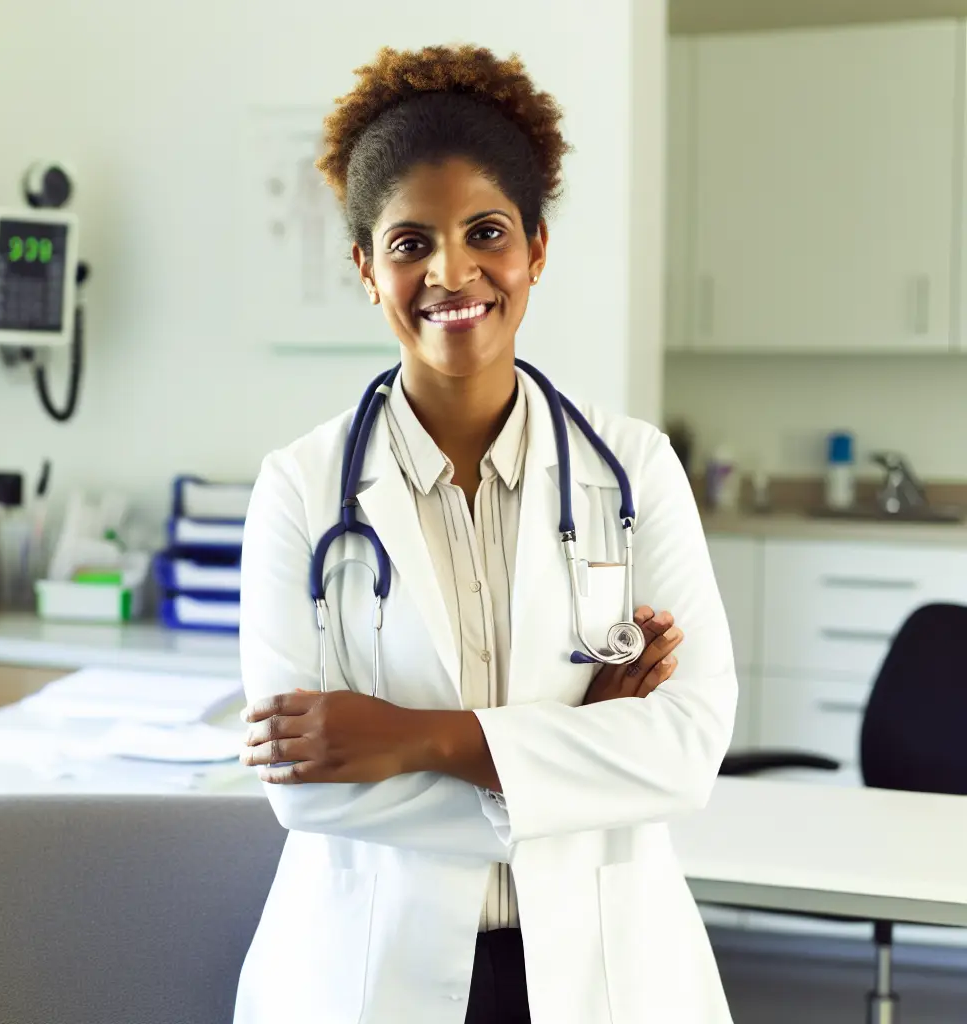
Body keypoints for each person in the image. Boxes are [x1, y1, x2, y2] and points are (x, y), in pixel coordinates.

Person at [232, 45, 736, 1024]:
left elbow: (685, 748)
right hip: (371, 971)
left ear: (535, 248)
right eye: (409, 242)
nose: (450, 271)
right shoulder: (298, 490)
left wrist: (412, 738)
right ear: (366, 268)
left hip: (604, 969)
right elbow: (306, 790)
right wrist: (578, 754)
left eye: (486, 232)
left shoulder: (636, 469)